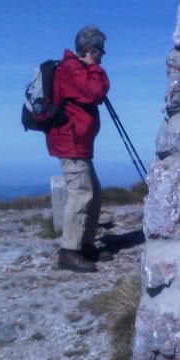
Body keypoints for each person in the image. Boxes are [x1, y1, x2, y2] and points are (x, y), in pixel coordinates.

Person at [46, 25, 111, 272]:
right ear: (90, 49)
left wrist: (92, 68)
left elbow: (98, 92)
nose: (103, 55)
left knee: (93, 191)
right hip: (70, 142)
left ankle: (84, 244)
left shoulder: (79, 69)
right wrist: (93, 67)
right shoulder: (71, 69)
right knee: (81, 193)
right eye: (101, 51)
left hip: (79, 143)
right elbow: (95, 92)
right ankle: (68, 252)